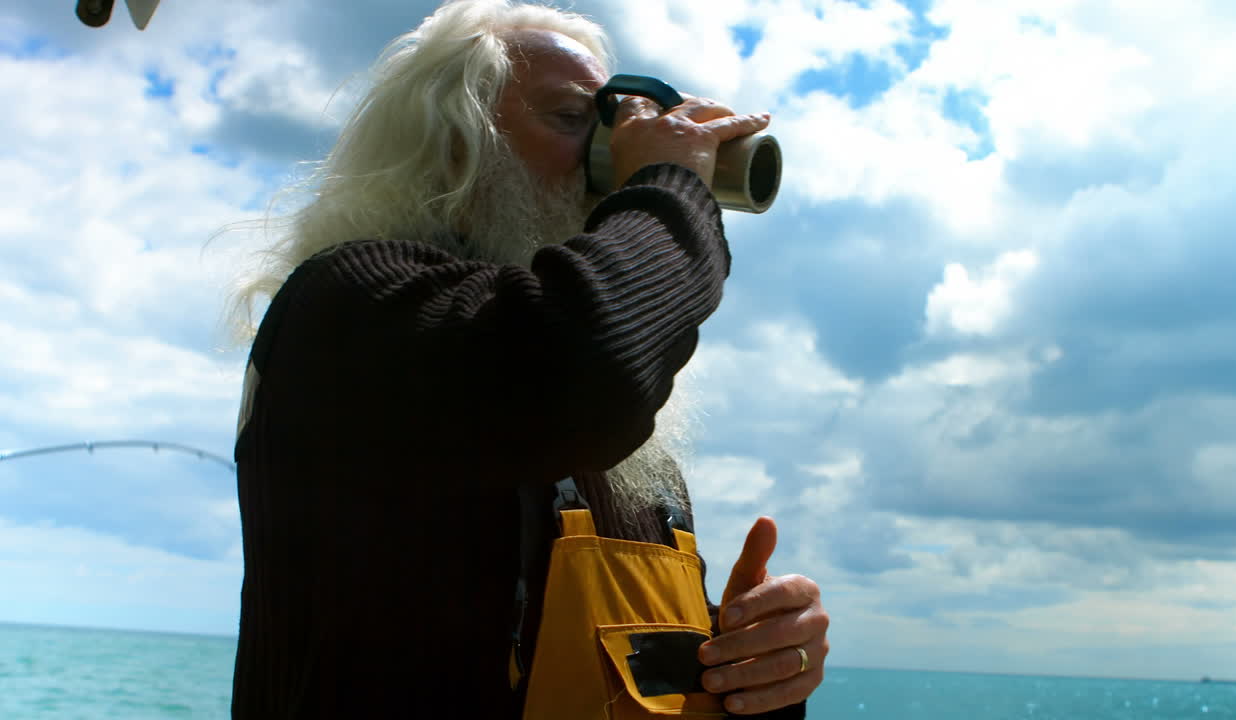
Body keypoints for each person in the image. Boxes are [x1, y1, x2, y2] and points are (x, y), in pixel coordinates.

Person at [228, 0, 829, 717]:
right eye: (574, 119)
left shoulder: (623, 437)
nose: (606, 156)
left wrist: (751, 670)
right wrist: (670, 186)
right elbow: (578, 368)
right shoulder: (347, 306)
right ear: (453, 144)